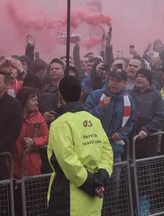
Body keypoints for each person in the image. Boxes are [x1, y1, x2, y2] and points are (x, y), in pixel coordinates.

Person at [46, 76, 112, 215]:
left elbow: (66, 160)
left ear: (59, 95)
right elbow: (107, 153)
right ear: (81, 94)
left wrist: (92, 183)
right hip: (94, 195)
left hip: (68, 195)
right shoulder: (94, 120)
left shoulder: (59, 123)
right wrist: (100, 180)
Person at [83, 67, 134, 214]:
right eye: (112, 79)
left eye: (118, 80)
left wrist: (122, 134)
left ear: (124, 83)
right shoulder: (96, 95)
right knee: (94, 186)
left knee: (113, 188)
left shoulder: (128, 99)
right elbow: (85, 118)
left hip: (114, 151)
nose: (114, 83)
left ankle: (111, 212)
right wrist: (100, 108)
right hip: (94, 149)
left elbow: (131, 121)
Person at [129, 68, 164, 159]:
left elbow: (160, 116)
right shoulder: (131, 93)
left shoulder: (156, 95)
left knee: (146, 168)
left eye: (142, 76)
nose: (138, 78)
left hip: (148, 140)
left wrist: (147, 129)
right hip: (131, 138)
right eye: (137, 76)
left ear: (148, 79)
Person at [13, 87, 48, 178]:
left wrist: (34, 142)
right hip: (13, 164)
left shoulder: (38, 117)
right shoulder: (13, 115)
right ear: (25, 101)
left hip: (32, 166)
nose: (36, 103)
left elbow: (47, 136)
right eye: (33, 100)